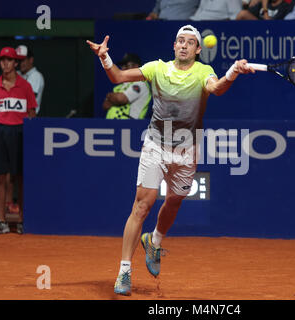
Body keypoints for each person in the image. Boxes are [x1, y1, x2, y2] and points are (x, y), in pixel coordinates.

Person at [87, 25, 255, 295]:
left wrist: (232, 73)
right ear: (174, 46)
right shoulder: (157, 68)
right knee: (142, 205)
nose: (184, 45)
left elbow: (217, 88)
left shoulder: (203, 72)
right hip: (155, 143)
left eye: (190, 42)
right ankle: (124, 272)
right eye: (180, 41)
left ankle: (154, 241)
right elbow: (117, 76)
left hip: (187, 149)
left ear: (198, 50)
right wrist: (104, 57)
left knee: (175, 200)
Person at [0, 47, 37, 234]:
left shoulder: (25, 86)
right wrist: (3, 124)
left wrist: (17, 126)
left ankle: (22, 220)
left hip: (20, 131)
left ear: (16, 63)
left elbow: (32, 112)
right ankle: (1, 221)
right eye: (2, 60)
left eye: (9, 60)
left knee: (20, 177)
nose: (5, 64)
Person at [103, 53, 151, 119]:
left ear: (136, 66)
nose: (123, 68)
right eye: (122, 66)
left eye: (126, 65)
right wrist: (116, 99)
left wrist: (109, 96)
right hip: (112, 125)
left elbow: (120, 99)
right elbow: (105, 105)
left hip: (129, 126)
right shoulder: (119, 87)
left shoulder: (141, 83)